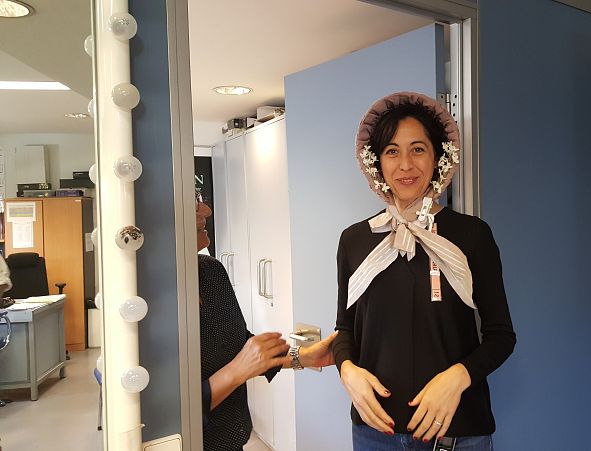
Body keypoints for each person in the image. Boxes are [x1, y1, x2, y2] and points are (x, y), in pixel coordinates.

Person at [333, 92, 516, 450]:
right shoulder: (355, 240)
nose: (405, 165)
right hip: (375, 432)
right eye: (391, 151)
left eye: (418, 149)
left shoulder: (472, 235)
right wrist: (348, 372)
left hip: (456, 431)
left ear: (438, 158)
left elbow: (501, 336)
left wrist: (457, 378)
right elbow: (345, 329)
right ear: (376, 163)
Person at [196, 196, 337, 451]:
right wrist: (234, 373)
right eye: (193, 202)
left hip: (233, 439)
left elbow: (241, 346)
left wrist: (304, 357)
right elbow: (168, 412)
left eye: (200, 199)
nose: (206, 210)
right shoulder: (149, 303)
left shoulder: (211, 272)